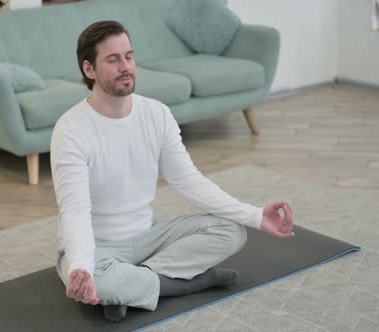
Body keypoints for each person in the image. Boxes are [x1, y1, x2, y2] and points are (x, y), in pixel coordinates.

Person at [50, 20, 295, 323]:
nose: (125, 66)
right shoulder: (71, 130)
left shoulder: (156, 114)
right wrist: (81, 269)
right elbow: (75, 211)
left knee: (231, 230)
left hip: (150, 235)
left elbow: (189, 181)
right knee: (96, 281)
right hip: (100, 248)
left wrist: (256, 215)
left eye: (129, 56)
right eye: (113, 60)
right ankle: (193, 282)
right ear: (89, 70)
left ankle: (132, 289)